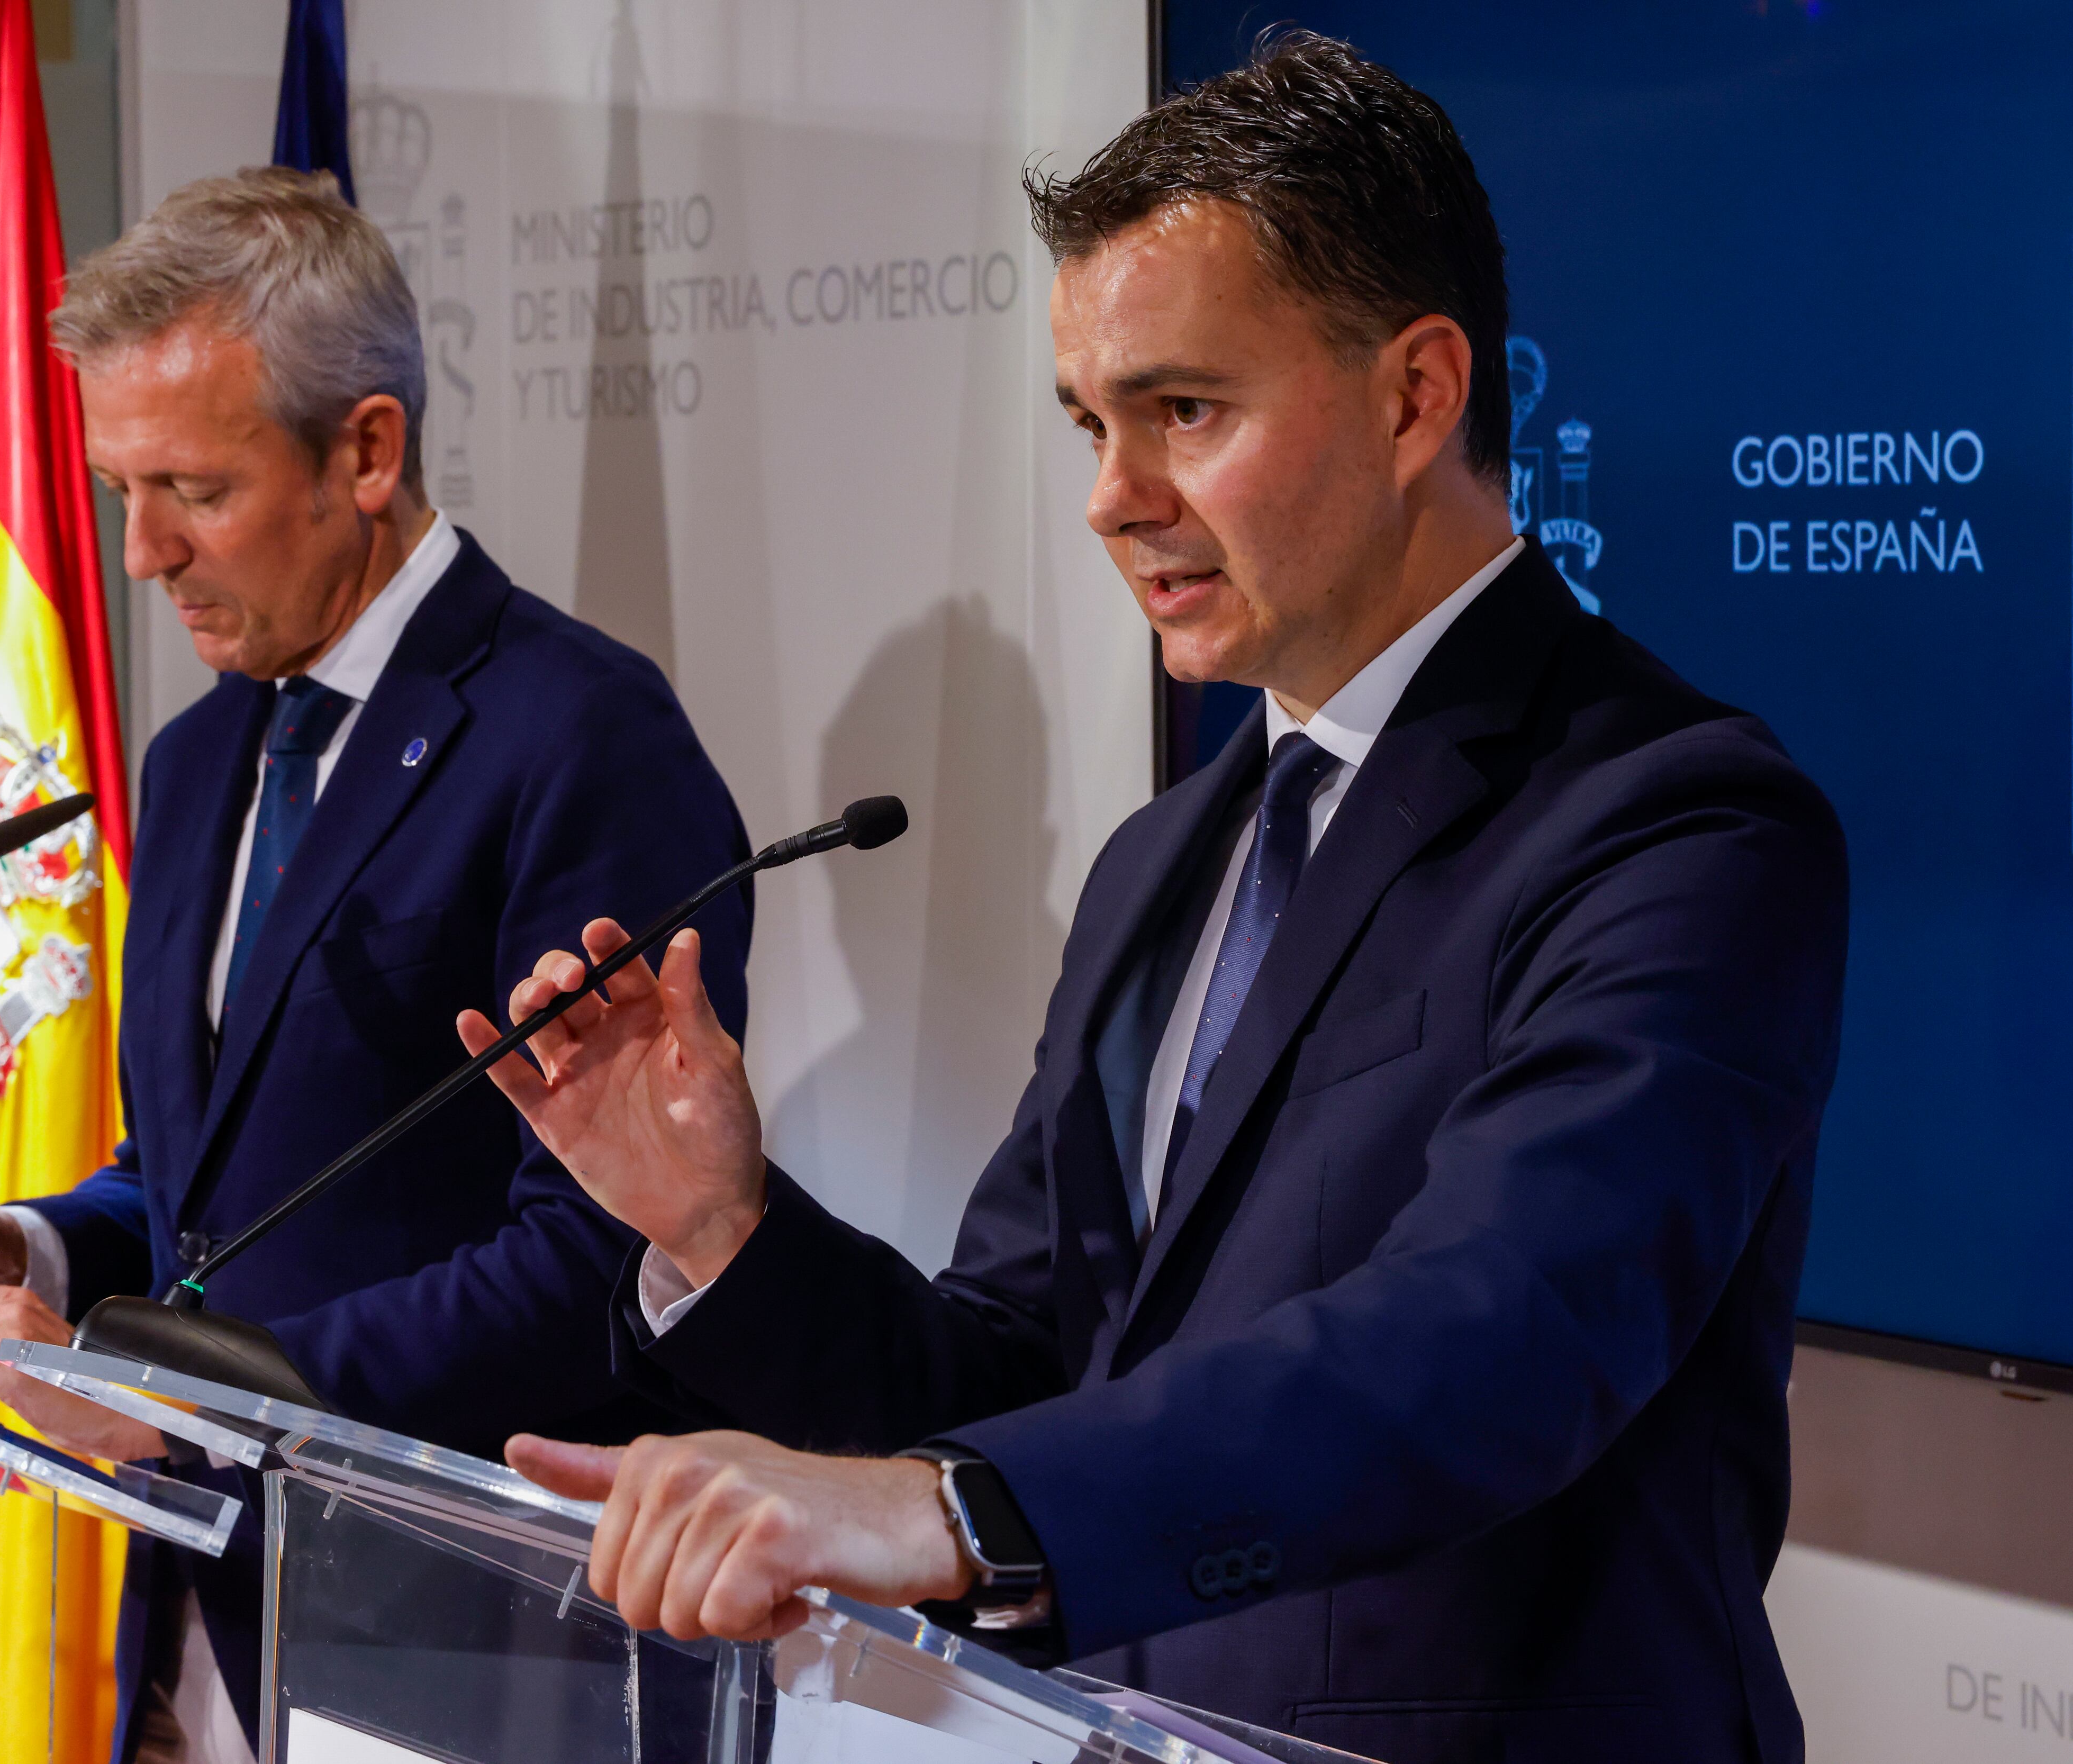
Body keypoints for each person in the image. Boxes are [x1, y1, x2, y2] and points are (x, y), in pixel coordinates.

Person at [461, 34, 1846, 1764]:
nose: (1116, 499)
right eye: (1092, 425)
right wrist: (724, 1229)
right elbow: (1023, 1374)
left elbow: (1500, 1336)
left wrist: (943, 1517)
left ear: (1419, 396)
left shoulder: (1677, 821)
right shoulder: (1167, 857)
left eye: (1186, 411)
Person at [0, 168, 752, 1764]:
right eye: (119, 491)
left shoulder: (579, 738)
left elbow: (598, 1259)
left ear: (366, 452)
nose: (141, 554)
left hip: (479, 1644)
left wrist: (205, 1396)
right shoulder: (195, 761)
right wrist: (25, 1244)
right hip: (206, 1616)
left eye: (191, 488)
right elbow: (218, 1198)